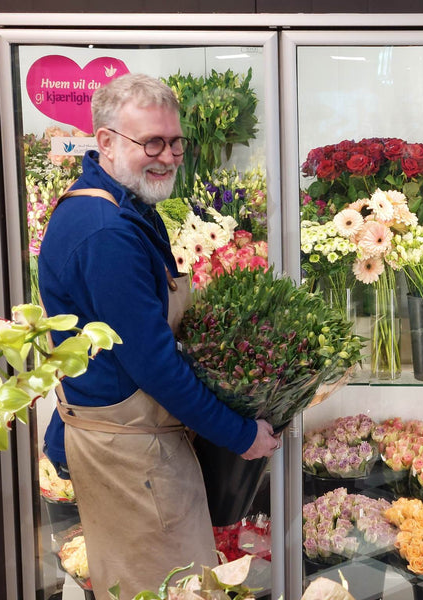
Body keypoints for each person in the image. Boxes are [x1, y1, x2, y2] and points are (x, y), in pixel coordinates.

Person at [38, 73, 281, 599]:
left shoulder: (121, 206)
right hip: (133, 458)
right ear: (104, 141)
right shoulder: (105, 233)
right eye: (151, 142)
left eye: (175, 142)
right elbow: (153, 363)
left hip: (137, 442)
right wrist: (239, 435)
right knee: (170, 587)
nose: (168, 157)